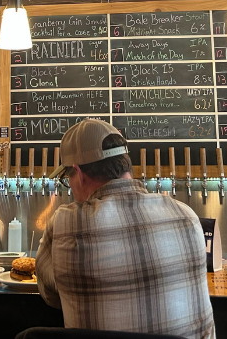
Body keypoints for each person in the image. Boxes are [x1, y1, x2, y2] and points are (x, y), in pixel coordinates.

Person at [36, 120, 215, 339]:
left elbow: (50, 295)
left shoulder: (65, 224)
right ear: (126, 165)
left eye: (67, 178)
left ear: (78, 173)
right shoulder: (187, 216)